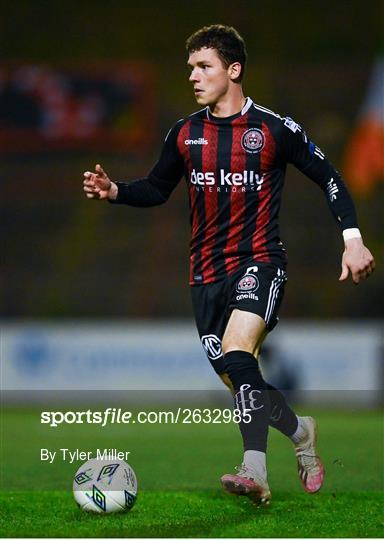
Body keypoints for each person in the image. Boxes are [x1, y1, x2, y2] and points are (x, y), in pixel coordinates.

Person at [83, 25, 375, 506]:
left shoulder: (273, 129)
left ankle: (254, 470)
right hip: (204, 275)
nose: (194, 76)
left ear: (233, 69)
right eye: (191, 68)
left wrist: (352, 240)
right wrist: (115, 191)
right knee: (241, 378)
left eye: (204, 66)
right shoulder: (184, 134)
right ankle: (301, 432)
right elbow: (157, 188)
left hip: (261, 260)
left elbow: (329, 175)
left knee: (241, 349)